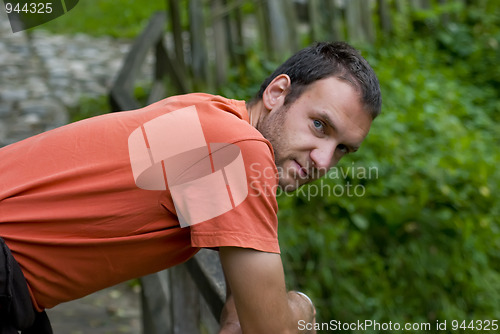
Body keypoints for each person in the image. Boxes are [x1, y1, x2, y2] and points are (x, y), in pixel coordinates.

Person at [0, 41, 381, 333]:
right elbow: (273, 328)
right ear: (277, 93)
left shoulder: (212, 115)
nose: (324, 160)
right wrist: (301, 305)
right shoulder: (240, 151)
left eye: (342, 148)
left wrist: (243, 301)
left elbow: (245, 300)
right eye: (320, 125)